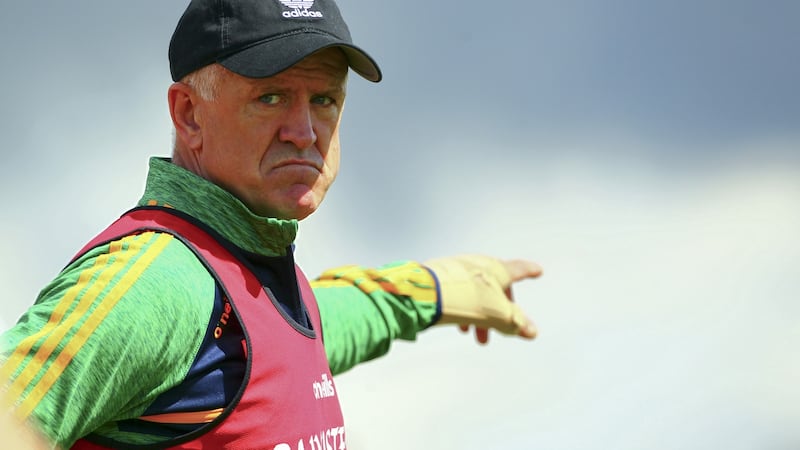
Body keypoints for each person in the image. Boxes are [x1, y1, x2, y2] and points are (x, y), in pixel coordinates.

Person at [0, 0, 543, 448]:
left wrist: (436, 289)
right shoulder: (156, 282)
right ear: (189, 114)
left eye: (325, 99)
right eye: (272, 96)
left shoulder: (250, 271)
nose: (304, 131)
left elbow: (314, 328)